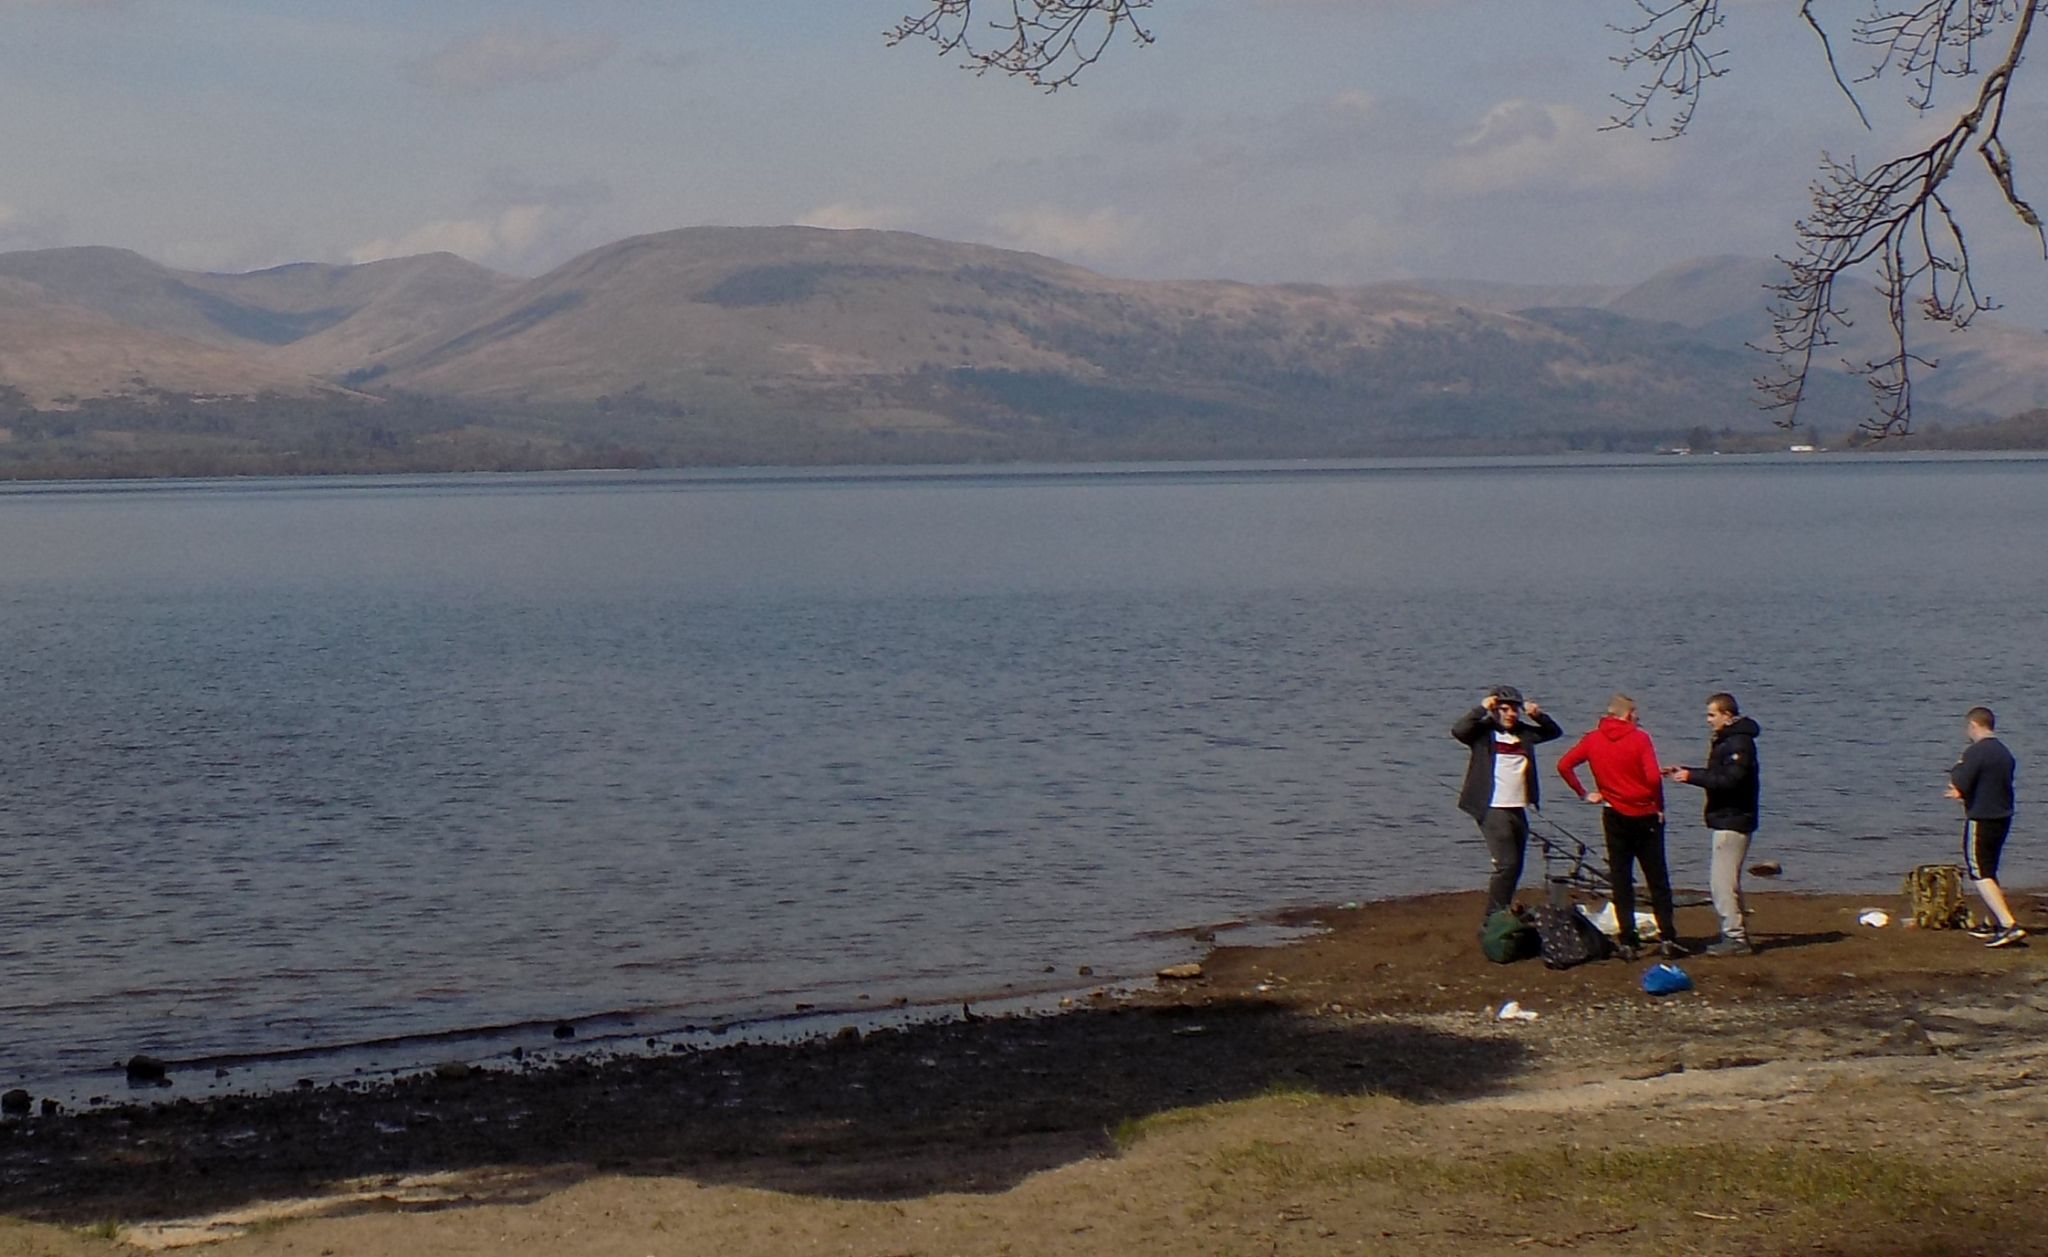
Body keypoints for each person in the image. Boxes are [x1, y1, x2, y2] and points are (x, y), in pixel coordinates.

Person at [1557, 694, 1681, 959]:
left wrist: (1584, 793)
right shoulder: (1640, 738)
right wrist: (1659, 806)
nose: (1638, 718)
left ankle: (1627, 941)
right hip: (1645, 814)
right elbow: (1649, 778)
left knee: (1621, 880)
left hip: (1614, 815)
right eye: (1635, 713)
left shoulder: (1593, 739)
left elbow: (1564, 765)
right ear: (1627, 714)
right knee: (1657, 878)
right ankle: (1667, 937)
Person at [1453, 686, 1563, 922]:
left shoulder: (1524, 734)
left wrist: (1539, 717)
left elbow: (1554, 732)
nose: (1510, 714)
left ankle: (1502, 909)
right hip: (1491, 806)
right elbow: (1459, 730)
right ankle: (1493, 916)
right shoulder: (1482, 733)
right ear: (1495, 710)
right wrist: (1481, 708)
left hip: (1518, 806)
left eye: (1514, 709)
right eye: (1504, 709)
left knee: (1516, 864)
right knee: (1507, 864)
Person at [1668, 692, 1760, 957]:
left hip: (1734, 820)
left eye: (1712, 715)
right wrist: (1686, 771)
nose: (1708, 720)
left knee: (1721, 883)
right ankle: (1736, 932)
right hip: (1729, 818)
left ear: (1727, 716)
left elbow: (1730, 780)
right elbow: (1719, 775)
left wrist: (1691, 777)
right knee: (1728, 881)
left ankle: (1735, 937)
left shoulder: (1739, 744)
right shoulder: (1730, 741)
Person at [1946, 706, 2024, 948]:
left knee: (1978, 870)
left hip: (1982, 817)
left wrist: (1959, 767)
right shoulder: (2004, 753)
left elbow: (1960, 779)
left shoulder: (1976, 752)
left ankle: (2008, 923)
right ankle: (1993, 921)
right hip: (2003, 816)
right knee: (1990, 868)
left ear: (1973, 726)